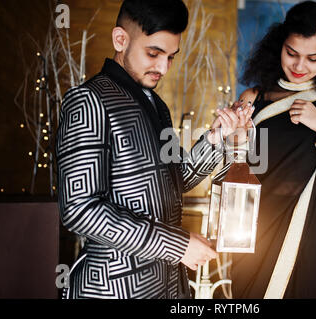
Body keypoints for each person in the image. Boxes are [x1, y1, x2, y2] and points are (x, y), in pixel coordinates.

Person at [56, 0, 252, 299]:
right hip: (111, 288)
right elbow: (80, 210)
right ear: (121, 39)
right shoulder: (89, 101)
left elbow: (175, 180)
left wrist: (216, 140)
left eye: (171, 56)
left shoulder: (155, 104)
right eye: (154, 53)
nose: (164, 67)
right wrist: (178, 245)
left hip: (167, 285)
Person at [220, 1, 316, 299]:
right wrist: (235, 137)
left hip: (313, 233)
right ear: (281, 43)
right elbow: (238, 169)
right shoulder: (255, 98)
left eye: (313, 58)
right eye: (291, 53)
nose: (299, 66)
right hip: (258, 228)